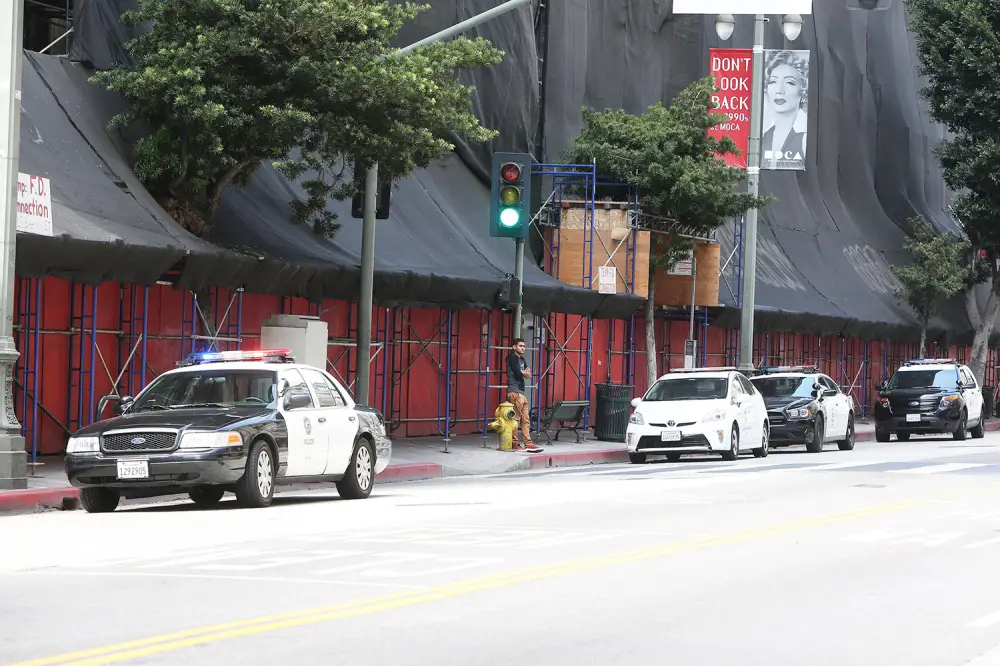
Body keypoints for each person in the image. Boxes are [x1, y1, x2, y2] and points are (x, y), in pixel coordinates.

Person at [762, 50, 808, 169]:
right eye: (773, 81)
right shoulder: (763, 137)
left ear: (803, 89)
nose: (780, 90)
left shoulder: (807, 137)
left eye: (789, 82)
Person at [506, 338, 537, 451]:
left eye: (524, 346)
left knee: (526, 419)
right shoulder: (512, 357)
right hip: (514, 391)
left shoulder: (522, 359)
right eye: (520, 345)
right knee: (516, 419)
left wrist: (524, 373)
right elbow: (518, 373)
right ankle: (514, 443)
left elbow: (529, 375)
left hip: (522, 392)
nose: (523, 347)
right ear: (514, 347)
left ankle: (528, 443)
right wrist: (524, 373)